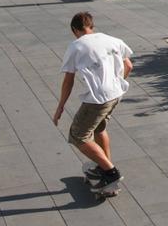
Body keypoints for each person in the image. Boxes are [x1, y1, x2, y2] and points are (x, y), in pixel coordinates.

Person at [52, 12, 133, 195]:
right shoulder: (113, 40)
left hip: (97, 99)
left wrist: (60, 107)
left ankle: (111, 172)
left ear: (74, 30)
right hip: (116, 94)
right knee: (99, 129)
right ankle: (103, 168)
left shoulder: (76, 47)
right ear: (92, 26)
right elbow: (129, 65)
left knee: (78, 135)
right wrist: (116, 84)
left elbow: (68, 80)